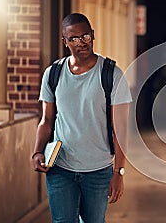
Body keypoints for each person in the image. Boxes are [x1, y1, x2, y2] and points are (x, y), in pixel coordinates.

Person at [31, 13, 132, 222]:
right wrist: (37, 152)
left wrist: (119, 172)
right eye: (73, 39)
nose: (81, 43)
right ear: (65, 42)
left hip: (98, 170)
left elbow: (120, 128)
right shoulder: (53, 74)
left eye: (85, 36)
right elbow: (47, 120)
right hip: (59, 168)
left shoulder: (112, 74)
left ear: (92, 35)